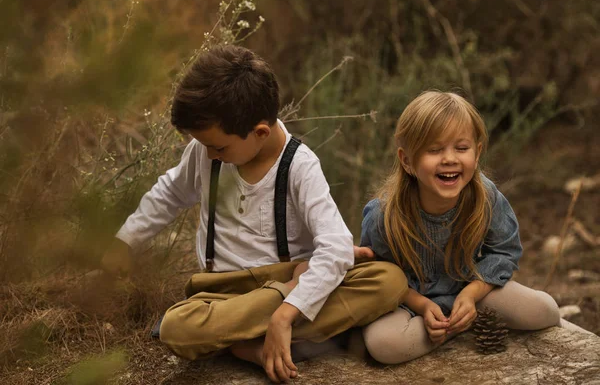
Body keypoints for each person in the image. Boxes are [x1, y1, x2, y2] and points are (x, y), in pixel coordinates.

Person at [101, 45, 407, 382]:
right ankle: (288, 332)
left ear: (260, 132)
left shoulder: (300, 167)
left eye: (218, 147)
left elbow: (335, 246)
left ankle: (250, 341)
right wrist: (126, 241)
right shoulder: (206, 153)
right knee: (176, 327)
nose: (209, 155)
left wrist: (285, 310)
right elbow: (169, 194)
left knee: (388, 281)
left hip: (288, 278)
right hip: (223, 293)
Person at [353, 90, 592, 365]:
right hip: (407, 303)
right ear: (406, 161)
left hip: (474, 292)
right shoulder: (384, 214)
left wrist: (471, 294)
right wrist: (422, 305)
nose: (450, 159)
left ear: (477, 153)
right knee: (385, 345)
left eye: (461, 148)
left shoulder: (485, 197)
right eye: (434, 150)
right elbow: (377, 276)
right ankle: (455, 328)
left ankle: (462, 320)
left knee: (545, 311)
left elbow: (505, 252)